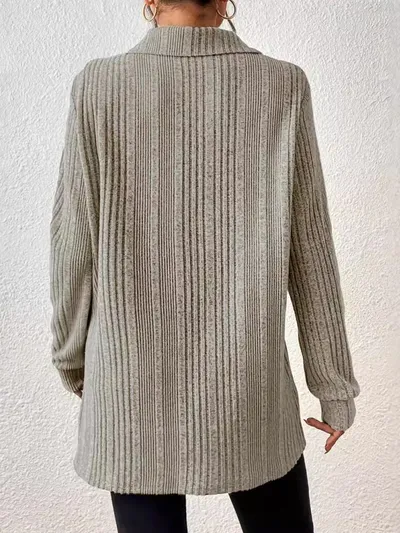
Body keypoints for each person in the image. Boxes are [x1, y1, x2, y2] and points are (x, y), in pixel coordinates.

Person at [49, 0, 361, 531]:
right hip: (248, 389)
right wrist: (333, 386)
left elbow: (72, 243)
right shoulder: (280, 85)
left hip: (130, 390)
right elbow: (310, 248)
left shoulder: (99, 86)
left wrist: (72, 358)